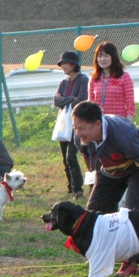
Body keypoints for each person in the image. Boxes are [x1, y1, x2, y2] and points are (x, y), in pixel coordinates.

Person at [72, 101, 139, 277]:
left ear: (98, 124)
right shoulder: (80, 138)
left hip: (138, 169)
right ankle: (101, 256)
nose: (78, 133)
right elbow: (91, 161)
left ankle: (131, 262)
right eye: (75, 128)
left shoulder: (123, 135)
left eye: (82, 128)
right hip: (110, 171)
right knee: (93, 214)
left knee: (130, 214)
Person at [53, 51, 89, 200]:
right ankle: (71, 186)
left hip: (77, 124)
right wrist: (70, 98)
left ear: (74, 65)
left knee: (71, 157)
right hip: (64, 124)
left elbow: (80, 100)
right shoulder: (64, 82)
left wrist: (66, 99)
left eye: (65, 63)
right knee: (65, 158)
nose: (62, 66)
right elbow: (56, 101)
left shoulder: (83, 80)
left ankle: (78, 189)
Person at [88, 42, 135, 121]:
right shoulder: (93, 78)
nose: (102, 59)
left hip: (119, 122)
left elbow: (130, 104)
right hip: (99, 122)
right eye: (99, 56)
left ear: (113, 57)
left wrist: (128, 124)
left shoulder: (124, 77)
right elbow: (90, 104)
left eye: (106, 56)